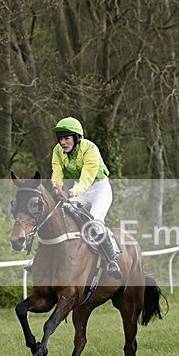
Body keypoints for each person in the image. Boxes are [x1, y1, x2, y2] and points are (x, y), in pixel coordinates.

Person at [50, 116, 123, 279]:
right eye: (61, 138)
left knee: (96, 221)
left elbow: (86, 180)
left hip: (99, 189)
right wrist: (57, 187)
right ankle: (42, 257)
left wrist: (69, 193)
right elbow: (57, 172)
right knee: (59, 214)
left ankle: (112, 260)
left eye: (66, 138)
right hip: (80, 190)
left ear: (76, 138)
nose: (63, 142)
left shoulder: (90, 149)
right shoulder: (57, 151)